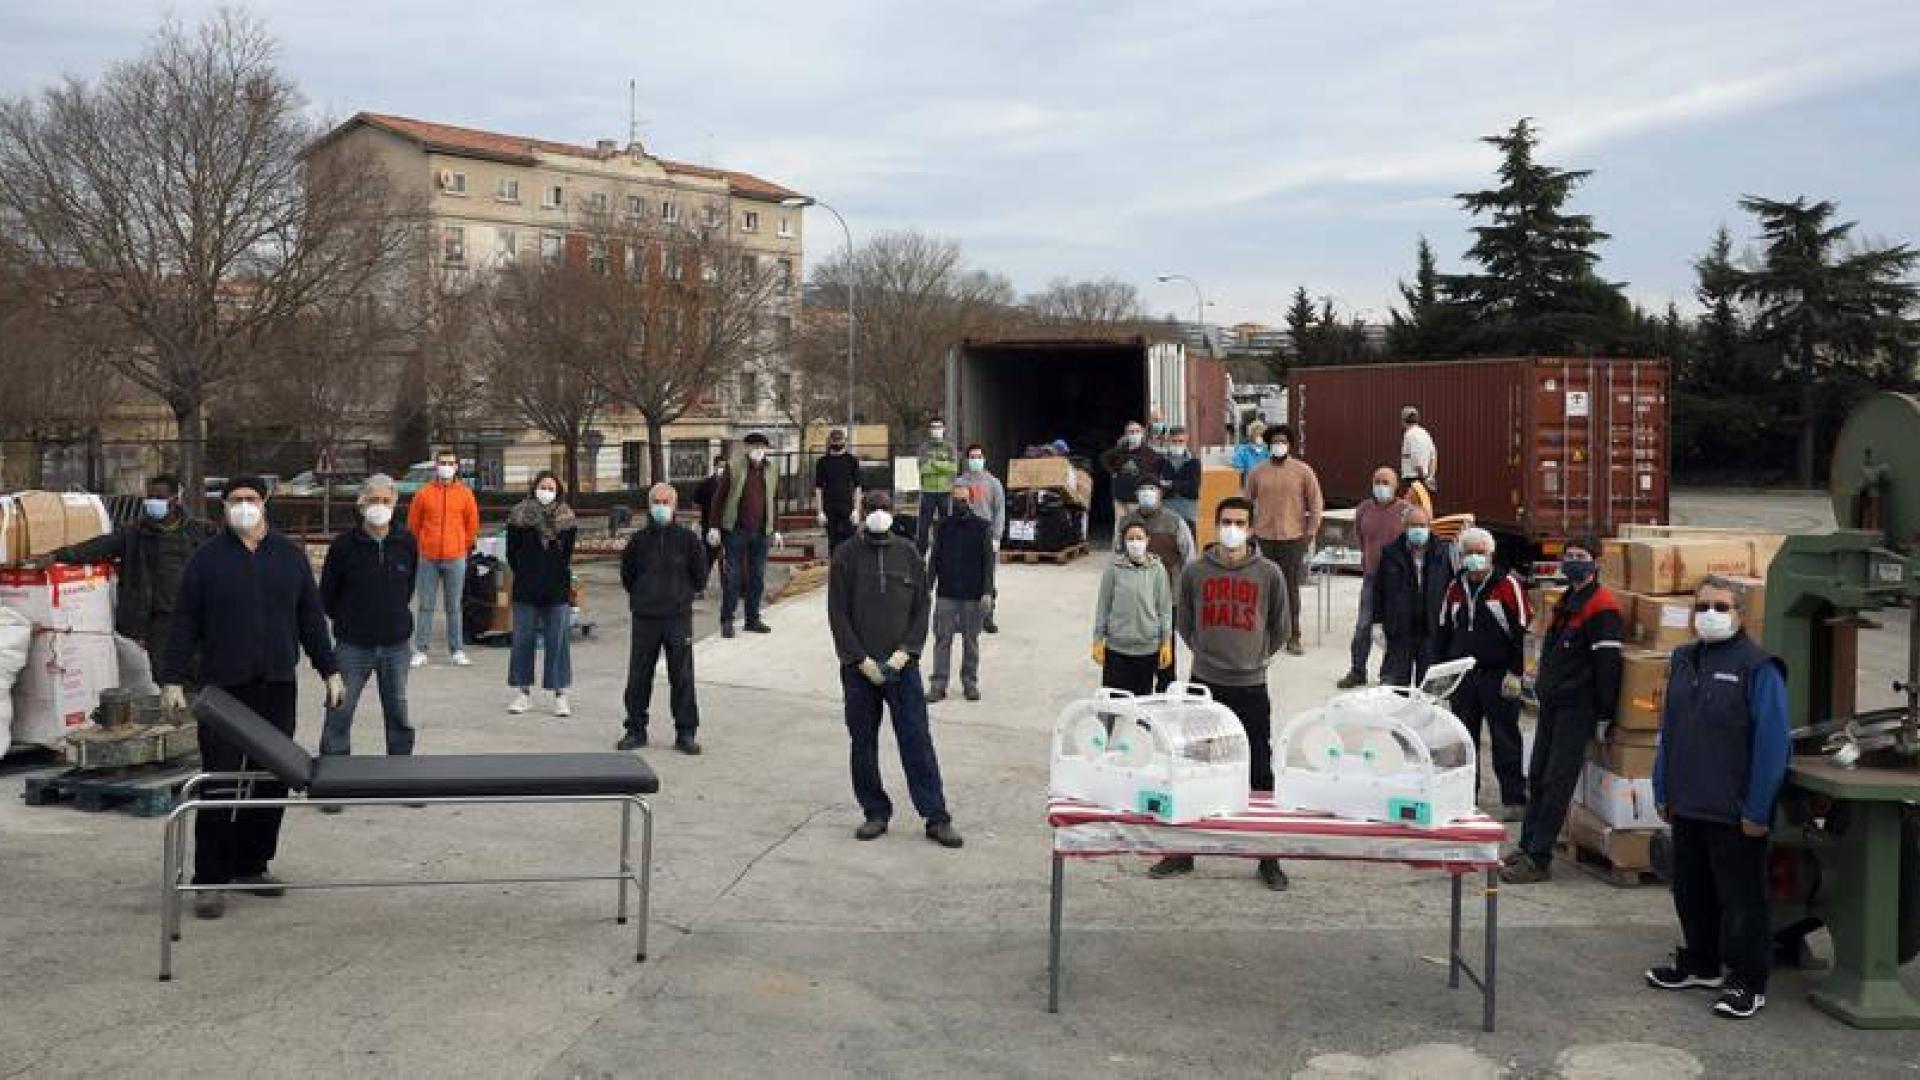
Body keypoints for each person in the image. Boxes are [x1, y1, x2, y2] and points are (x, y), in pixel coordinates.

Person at [158, 476, 342, 920]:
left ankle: (252, 865)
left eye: (251, 499)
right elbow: (184, 623)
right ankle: (210, 877)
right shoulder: (207, 561)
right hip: (224, 687)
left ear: (265, 504)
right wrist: (172, 678)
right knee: (219, 781)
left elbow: (311, 618)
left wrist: (330, 669)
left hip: (277, 683)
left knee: (272, 778)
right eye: (236, 500)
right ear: (224, 507)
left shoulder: (289, 558)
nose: (244, 506)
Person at [1644, 576, 1790, 1020]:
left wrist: (1757, 808)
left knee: (1741, 900)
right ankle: (1701, 962)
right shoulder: (1684, 658)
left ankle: (1748, 981)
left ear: (1741, 614)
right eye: (1703, 605)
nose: (1710, 613)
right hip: (1688, 801)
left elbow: (1772, 743)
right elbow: (1670, 731)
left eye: (1721, 607)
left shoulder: (1758, 666)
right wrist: (1662, 788)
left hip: (1734, 811)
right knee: (1691, 891)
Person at [1154, 496, 1292, 890]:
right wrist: (1205, 653)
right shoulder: (1196, 572)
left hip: (1250, 685)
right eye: (1226, 521)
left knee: (1260, 770)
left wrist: (1256, 656)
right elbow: (1185, 623)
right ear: (1216, 526)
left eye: (1239, 522)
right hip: (1205, 686)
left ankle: (1268, 856)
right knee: (1195, 765)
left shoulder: (1269, 573)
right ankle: (1183, 852)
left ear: (1250, 528)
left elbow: (1281, 625)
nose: (1232, 528)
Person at [828, 491, 962, 849]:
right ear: (861, 513)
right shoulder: (845, 556)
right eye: (871, 509)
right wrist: (859, 659)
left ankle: (935, 816)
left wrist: (908, 651)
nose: (877, 515)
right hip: (860, 670)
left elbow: (922, 606)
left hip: (902, 668)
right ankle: (874, 811)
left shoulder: (909, 553)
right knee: (863, 742)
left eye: (883, 509)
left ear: (893, 512)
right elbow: (837, 614)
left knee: (916, 739)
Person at [1504, 536, 1625, 882]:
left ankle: (1539, 858)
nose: (1573, 560)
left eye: (1581, 556)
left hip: (1578, 709)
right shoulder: (1569, 599)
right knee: (1538, 777)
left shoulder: (1602, 608)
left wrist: (1604, 716)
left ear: (1596, 563)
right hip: (1554, 705)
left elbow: (1608, 667)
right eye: (1569, 555)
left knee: (1557, 782)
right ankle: (1527, 845)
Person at [47, 472, 217, 674]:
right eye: (150, 497)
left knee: (196, 674)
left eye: (159, 498)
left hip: (192, 616)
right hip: (154, 622)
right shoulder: (133, 534)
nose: (152, 502)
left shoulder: (201, 532)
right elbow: (98, 547)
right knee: (161, 676)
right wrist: (57, 556)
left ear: (175, 500)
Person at [317, 475, 419, 788]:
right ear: (361, 503)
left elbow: (408, 586)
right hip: (352, 645)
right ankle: (334, 779)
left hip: (396, 645)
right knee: (340, 712)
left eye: (385, 501)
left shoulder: (406, 542)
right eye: (373, 500)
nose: (379, 507)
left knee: (398, 712)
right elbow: (327, 597)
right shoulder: (344, 546)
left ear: (395, 504)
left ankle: (400, 776)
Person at [1433, 527, 1530, 821]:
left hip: (1498, 675)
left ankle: (1514, 798)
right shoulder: (1454, 587)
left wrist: (1516, 673)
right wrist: (1440, 673)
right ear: (1461, 556)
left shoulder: (1508, 585)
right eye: (1469, 553)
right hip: (1464, 677)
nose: (1474, 558)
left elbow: (1522, 632)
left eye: (1480, 553)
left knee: (1505, 738)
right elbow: (1443, 631)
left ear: (1490, 555)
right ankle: (1465, 797)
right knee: (1464, 740)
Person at [619, 483, 708, 754]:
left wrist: (682, 595)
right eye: (656, 502)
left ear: (675, 506)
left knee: (682, 677)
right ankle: (635, 729)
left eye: (666, 502)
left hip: (677, 617)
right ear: (649, 505)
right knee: (638, 677)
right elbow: (628, 576)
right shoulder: (638, 541)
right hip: (645, 616)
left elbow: (700, 576)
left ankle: (685, 732)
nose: (661, 507)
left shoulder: (688, 541)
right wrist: (643, 595)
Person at [1242, 424, 1322, 657]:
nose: (1279, 445)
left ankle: (1293, 636)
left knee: (1290, 590)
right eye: (1275, 442)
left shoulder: (1302, 471)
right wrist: (1247, 532)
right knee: (1263, 589)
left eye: (1283, 441)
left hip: (1293, 537)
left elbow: (1316, 502)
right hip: (1264, 537)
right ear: (1268, 445)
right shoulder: (1257, 472)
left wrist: (1310, 532)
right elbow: (1246, 503)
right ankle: (1266, 636)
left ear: (1289, 445)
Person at [504, 471, 577, 717]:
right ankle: (523, 693)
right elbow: (511, 552)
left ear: (558, 491)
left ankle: (560, 693)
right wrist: (526, 569)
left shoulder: (567, 517)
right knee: (522, 641)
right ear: (534, 487)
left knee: (557, 641)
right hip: (526, 587)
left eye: (551, 487)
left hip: (556, 588)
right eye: (542, 486)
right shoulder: (518, 514)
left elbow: (567, 555)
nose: (546, 491)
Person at [1112, 477, 1194, 689]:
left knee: (1166, 646)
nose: (1147, 493)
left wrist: (1186, 590)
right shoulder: (1124, 523)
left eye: (1152, 489)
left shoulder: (1175, 522)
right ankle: (1135, 688)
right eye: (1142, 489)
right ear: (1136, 494)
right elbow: (1117, 556)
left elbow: (1189, 557)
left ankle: (1166, 689)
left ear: (1160, 493)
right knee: (1136, 644)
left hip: (1169, 595)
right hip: (1134, 596)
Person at [1339, 467, 1411, 689]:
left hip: (1397, 581)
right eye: (1377, 481)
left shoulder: (1405, 510)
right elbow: (1361, 538)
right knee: (1364, 626)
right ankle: (1357, 670)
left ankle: (1388, 675)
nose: (1381, 486)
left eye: (1386, 482)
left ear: (1395, 485)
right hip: (1371, 577)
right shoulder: (1364, 509)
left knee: (1394, 628)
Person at [407, 448, 478, 668]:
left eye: (450, 463)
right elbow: (413, 524)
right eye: (442, 462)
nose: (446, 467)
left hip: (455, 557)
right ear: (436, 466)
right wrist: (422, 545)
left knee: (454, 606)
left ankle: (456, 650)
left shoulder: (465, 493)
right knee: (425, 605)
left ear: (456, 467)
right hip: (428, 557)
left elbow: (472, 524)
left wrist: (462, 546)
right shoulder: (423, 494)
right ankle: (421, 649)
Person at [926, 484, 994, 703]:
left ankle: (970, 683)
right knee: (942, 639)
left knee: (970, 641)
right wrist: (928, 586)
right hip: (946, 593)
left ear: (971, 501)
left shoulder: (982, 527)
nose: (959, 504)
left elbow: (988, 563)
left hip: (973, 595)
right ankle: (938, 685)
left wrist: (987, 591)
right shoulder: (942, 527)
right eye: (955, 500)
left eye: (963, 500)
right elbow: (934, 557)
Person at [1092, 520, 1173, 696]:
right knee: (1113, 704)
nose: (1135, 542)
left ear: (1147, 540)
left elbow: (1165, 609)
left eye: (1139, 538)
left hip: (1147, 650)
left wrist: (1166, 641)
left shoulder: (1158, 570)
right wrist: (1098, 639)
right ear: (1124, 542)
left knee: (1141, 703)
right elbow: (1103, 606)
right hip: (1117, 649)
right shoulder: (1113, 570)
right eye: (1131, 538)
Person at [1375, 506, 1452, 687]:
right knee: (1395, 689)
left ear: (1429, 526)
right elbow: (1379, 590)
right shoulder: (1390, 553)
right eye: (1413, 525)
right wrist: (1376, 622)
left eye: (1422, 525)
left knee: (1427, 689)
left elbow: (1451, 588)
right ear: (1405, 527)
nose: (1418, 530)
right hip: (1400, 631)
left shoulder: (1443, 553)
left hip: (1430, 631)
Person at [714, 432, 781, 638]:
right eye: (755, 446)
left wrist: (776, 529)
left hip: (761, 532)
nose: (759, 450)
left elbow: (774, 500)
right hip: (735, 530)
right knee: (733, 577)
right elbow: (719, 498)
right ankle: (727, 620)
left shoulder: (772, 469)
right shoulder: (734, 467)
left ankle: (752, 619)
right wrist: (714, 526)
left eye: (762, 446)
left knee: (757, 577)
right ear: (746, 447)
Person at [953, 443, 1007, 633]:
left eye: (979, 456)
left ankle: (987, 617)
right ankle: (962, 619)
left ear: (984, 459)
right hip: (965, 536)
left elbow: (1000, 510)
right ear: (967, 460)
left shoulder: (993, 483)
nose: (976, 460)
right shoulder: (960, 483)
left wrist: (997, 536)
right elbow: (955, 510)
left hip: (986, 536)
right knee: (963, 578)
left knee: (987, 579)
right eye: (972, 457)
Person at [1100, 419, 1161, 527]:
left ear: (1142, 433)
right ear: (1126, 435)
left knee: (1137, 527)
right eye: (1131, 432)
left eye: (1137, 431)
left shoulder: (1149, 453)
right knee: (1120, 528)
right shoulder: (1120, 450)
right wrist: (1112, 472)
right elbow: (1104, 458)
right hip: (1120, 497)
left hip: (1138, 499)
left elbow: (1156, 471)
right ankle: (1118, 545)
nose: (1134, 434)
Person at [814, 428, 863, 556]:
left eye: (839, 440)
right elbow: (818, 488)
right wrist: (819, 511)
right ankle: (835, 571)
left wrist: (857, 509)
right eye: (834, 440)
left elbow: (858, 486)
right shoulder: (822, 462)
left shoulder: (851, 460)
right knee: (833, 542)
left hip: (848, 507)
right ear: (830, 442)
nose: (837, 443)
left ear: (844, 441)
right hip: (830, 507)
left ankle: (850, 572)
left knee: (851, 542)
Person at [915, 417, 958, 553]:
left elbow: (953, 468)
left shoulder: (950, 447)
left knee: (946, 524)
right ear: (930, 430)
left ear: (944, 429)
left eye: (939, 427)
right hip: (928, 492)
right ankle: (920, 553)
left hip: (945, 491)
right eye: (933, 427)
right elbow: (922, 469)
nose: (936, 430)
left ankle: (946, 551)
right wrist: (942, 466)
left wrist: (934, 463)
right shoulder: (924, 448)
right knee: (923, 526)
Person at [693, 454, 728, 598]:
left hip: (727, 527)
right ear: (714, 467)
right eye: (720, 466)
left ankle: (728, 588)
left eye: (725, 467)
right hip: (709, 527)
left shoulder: (732, 485)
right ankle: (699, 587)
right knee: (707, 558)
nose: (722, 469)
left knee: (727, 561)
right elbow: (696, 502)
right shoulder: (706, 484)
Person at [1158, 425, 1201, 535]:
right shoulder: (1161, 462)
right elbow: (1158, 486)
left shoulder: (1194, 463)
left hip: (1188, 514)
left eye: (1180, 441)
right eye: (1174, 441)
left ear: (1186, 440)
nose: (1177, 444)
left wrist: (1171, 484)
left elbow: (1193, 488)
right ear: (1169, 440)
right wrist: (1182, 485)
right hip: (1166, 513)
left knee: (1189, 549)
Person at [1400, 405, 1438, 493]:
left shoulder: (1409, 435)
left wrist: (1423, 478)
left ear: (1403, 419)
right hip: (1423, 477)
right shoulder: (1425, 433)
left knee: (1412, 506)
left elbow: (1415, 459)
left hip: (1413, 479)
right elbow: (1434, 455)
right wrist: (1430, 476)